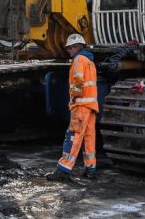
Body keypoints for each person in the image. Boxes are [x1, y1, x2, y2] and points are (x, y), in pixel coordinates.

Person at [47, 34, 99, 181]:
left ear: (76, 48)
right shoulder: (90, 61)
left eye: (70, 48)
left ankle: (63, 170)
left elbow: (78, 80)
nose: (69, 51)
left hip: (81, 104)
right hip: (91, 105)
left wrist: (75, 96)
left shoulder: (78, 60)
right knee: (89, 137)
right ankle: (91, 169)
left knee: (74, 136)